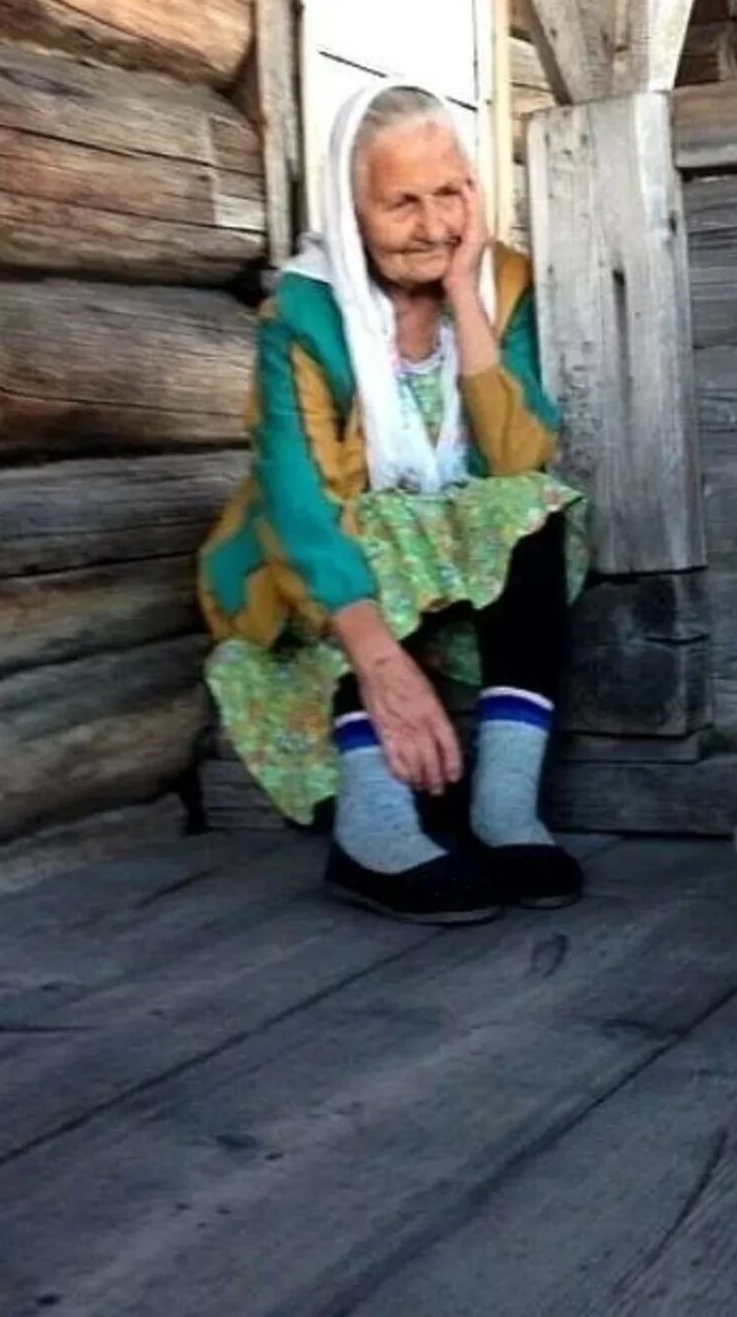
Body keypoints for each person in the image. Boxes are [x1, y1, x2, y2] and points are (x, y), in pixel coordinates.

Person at [198, 81, 588, 925]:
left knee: (536, 504)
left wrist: (464, 297)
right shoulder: (302, 313)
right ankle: (374, 831)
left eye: (450, 192)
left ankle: (504, 808)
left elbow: (522, 455)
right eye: (401, 202)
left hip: (446, 570)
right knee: (372, 518)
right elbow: (300, 507)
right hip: (334, 581)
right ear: (349, 209)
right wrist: (381, 662)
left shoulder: (500, 281)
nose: (434, 223)